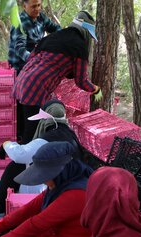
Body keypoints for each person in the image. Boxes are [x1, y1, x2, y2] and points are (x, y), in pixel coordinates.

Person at [12, 11, 101, 145]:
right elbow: (81, 80)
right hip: (35, 89)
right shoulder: (79, 46)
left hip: (21, 81)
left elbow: (31, 58)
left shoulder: (53, 36)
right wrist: (95, 89)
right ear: (85, 31)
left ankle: (17, 158)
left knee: (20, 129)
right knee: (31, 134)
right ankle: (23, 164)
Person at [0, 99, 82, 215]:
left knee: (15, 168)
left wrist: (6, 144)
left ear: (45, 120)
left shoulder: (48, 139)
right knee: (2, 183)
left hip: (53, 190)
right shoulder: (70, 135)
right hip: (69, 187)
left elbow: (20, 155)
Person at [8, 0, 61, 140]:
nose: (37, 9)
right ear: (24, 6)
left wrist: (63, 38)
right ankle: (22, 138)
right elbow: (19, 48)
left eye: (39, 5)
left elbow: (56, 29)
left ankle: (31, 135)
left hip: (35, 69)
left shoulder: (41, 17)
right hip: (20, 69)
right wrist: (35, 60)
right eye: (33, 6)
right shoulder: (19, 22)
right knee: (24, 108)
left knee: (35, 106)